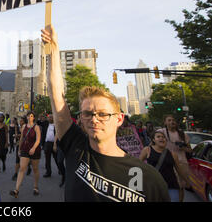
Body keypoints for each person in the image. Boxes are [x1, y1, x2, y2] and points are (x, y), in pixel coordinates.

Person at [42, 24, 170, 202]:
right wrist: (54, 48)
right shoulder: (76, 149)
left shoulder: (148, 178)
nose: (94, 119)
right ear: (81, 118)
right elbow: (56, 96)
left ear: (119, 119)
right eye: (87, 113)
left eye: (102, 114)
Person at [139, 131, 192, 202]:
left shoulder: (173, 154)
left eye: (163, 137)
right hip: (154, 186)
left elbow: (179, 169)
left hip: (171, 185)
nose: (161, 138)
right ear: (153, 140)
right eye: (158, 137)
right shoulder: (147, 150)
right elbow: (138, 165)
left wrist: (187, 181)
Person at [161, 114, 193, 202]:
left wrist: (183, 148)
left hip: (182, 163)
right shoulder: (161, 132)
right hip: (167, 163)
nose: (172, 122)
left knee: (180, 187)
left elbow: (190, 150)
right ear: (165, 123)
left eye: (173, 120)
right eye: (169, 120)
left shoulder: (183, 134)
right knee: (168, 186)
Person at [10, 111, 41, 198]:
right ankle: (16, 190)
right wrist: (19, 149)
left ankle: (35, 187)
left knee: (35, 169)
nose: (29, 117)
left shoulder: (36, 127)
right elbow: (21, 139)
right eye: (28, 116)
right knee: (22, 168)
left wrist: (34, 148)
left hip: (35, 150)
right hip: (25, 149)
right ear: (27, 117)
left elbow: (38, 140)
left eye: (31, 116)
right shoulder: (24, 126)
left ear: (33, 118)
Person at [41, 114, 59, 178]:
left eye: (51, 117)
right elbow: (43, 134)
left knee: (57, 158)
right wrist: (42, 144)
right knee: (47, 159)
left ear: (53, 118)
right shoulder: (46, 125)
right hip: (47, 144)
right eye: (48, 117)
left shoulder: (56, 125)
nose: (49, 118)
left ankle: (60, 169)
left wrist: (56, 144)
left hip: (54, 144)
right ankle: (48, 172)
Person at [12, 116, 26, 181]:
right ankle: (16, 173)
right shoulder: (17, 127)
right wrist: (16, 134)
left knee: (24, 159)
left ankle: (28, 166)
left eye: (22, 121)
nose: (20, 122)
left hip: (25, 145)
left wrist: (18, 135)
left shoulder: (26, 127)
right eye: (20, 121)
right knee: (17, 159)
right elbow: (16, 134)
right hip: (19, 144)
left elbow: (24, 135)